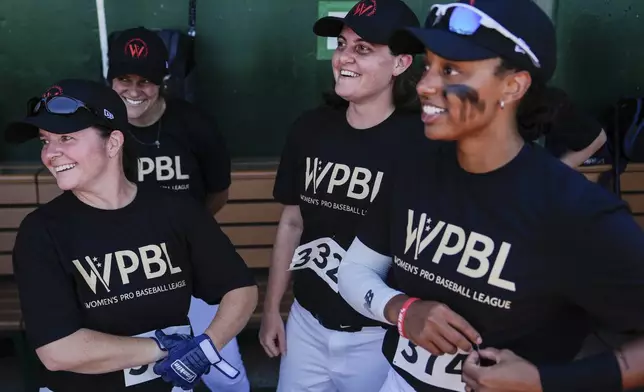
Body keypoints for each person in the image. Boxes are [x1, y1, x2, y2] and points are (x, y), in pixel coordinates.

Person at [337, 1, 644, 392]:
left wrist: (544, 381)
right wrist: (401, 310)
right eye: (428, 65)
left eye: (450, 70)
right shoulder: (414, 167)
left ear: (513, 85)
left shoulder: (572, 210)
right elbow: (353, 271)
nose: (425, 84)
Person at [4, 79, 257, 392]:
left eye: (66, 138)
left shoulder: (175, 209)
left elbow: (240, 289)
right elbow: (58, 351)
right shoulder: (41, 231)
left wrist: (206, 347)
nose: (50, 154)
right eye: (45, 141)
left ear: (113, 143)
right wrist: (167, 349)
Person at [258, 0, 426, 391]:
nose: (344, 57)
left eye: (363, 48)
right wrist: (271, 309)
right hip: (307, 322)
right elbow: (292, 221)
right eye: (342, 44)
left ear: (400, 63)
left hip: (381, 335)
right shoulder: (311, 128)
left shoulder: (423, 141)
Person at [105, 26, 249, 392]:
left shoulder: (194, 125)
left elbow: (218, 193)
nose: (134, 91)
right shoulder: (100, 129)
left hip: (192, 263)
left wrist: (186, 233)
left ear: (162, 80)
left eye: (146, 80)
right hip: (125, 269)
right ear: (110, 78)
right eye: (124, 79)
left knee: (224, 376)